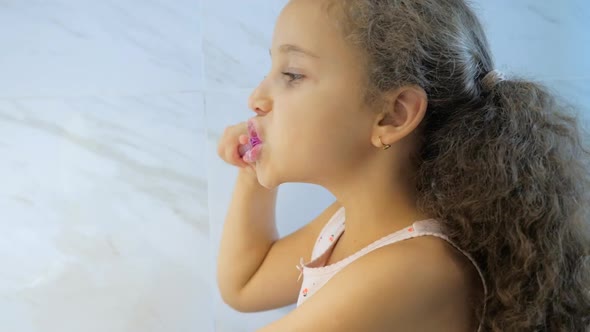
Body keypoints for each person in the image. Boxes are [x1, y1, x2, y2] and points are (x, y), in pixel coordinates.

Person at [215, 0, 590, 331]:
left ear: (393, 115)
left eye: (292, 74)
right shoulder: (348, 224)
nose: (257, 98)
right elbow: (245, 284)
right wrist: (253, 168)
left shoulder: (414, 270)